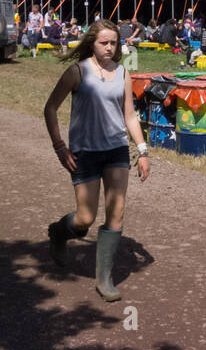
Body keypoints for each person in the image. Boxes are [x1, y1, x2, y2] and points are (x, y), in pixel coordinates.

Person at [43, 20, 150, 301]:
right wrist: (59, 146)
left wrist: (143, 150)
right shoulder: (77, 72)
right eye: (104, 43)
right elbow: (50, 107)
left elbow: (129, 115)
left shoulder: (123, 73)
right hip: (85, 153)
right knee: (85, 219)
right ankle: (58, 232)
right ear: (92, 43)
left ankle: (104, 279)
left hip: (115, 149)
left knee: (117, 211)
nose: (110, 48)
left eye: (114, 43)